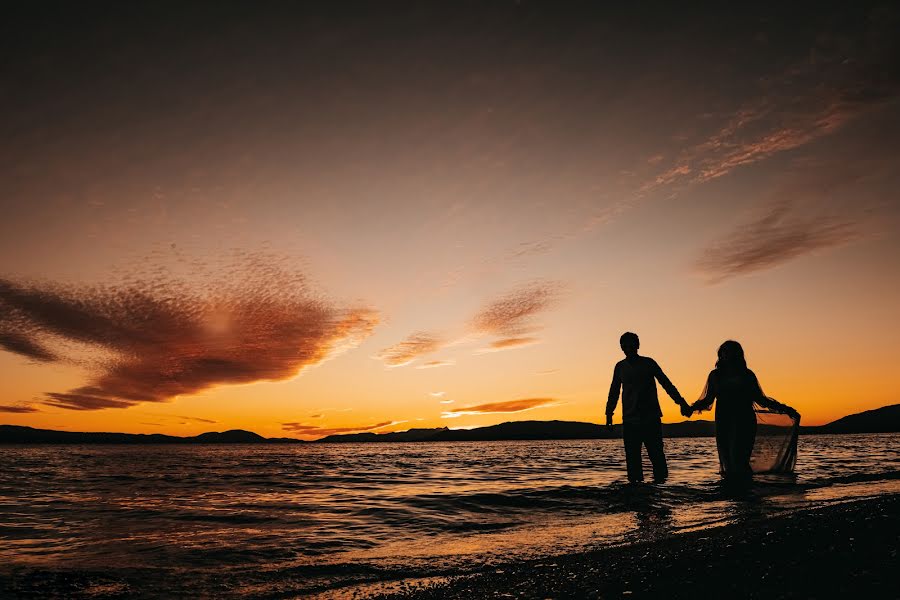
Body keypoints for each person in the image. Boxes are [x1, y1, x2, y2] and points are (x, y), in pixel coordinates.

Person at [689, 340, 800, 483]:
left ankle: (746, 496)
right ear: (720, 355)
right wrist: (691, 408)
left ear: (738, 354)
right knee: (728, 461)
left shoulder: (747, 375)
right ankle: (735, 499)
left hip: (744, 421)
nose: (727, 354)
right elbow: (708, 400)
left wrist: (785, 409)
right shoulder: (715, 375)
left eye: (730, 351)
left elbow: (761, 399)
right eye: (724, 351)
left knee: (739, 459)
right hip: (724, 422)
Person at [607, 332, 691, 483]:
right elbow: (614, 391)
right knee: (633, 462)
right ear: (621, 347)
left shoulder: (649, 363)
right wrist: (609, 414)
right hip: (630, 421)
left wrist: (681, 403)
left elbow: (666, 384)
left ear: (637, 345)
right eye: (624, 345)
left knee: (657, 457)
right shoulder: (620, 367)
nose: (628, 348)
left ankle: (661, 491)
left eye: (631, 345)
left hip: (651, 419)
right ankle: (636, 496)